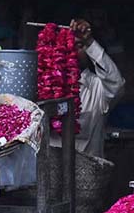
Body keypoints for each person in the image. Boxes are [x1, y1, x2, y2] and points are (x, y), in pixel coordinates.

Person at [51, 18, 125, 158]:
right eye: (66, 46)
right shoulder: (44, 86)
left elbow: (116, 83)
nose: (72, 51)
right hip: (49, 170)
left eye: (79, 45)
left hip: (87, 172)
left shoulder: (98, 87)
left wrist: (89, 41)